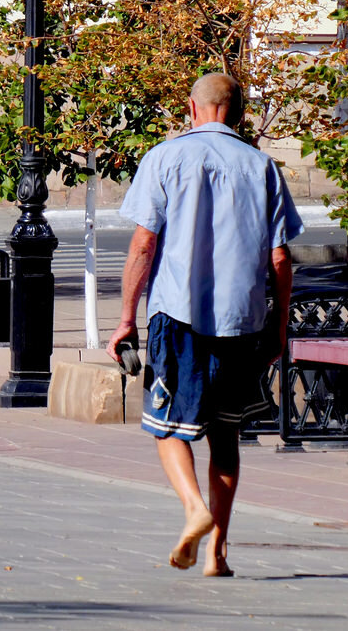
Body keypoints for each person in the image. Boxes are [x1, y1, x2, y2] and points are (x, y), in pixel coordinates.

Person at [106, 73, 303, 577]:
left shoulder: (165, 158)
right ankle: (217, 553)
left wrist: (127, 320)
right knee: (227, 437)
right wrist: (278, 326)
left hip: (179, 314)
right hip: (243, 320)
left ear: (192, 108)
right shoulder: (261, 166)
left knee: (166, 426)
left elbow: (144, 245)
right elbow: (281, 259)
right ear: (238, 113)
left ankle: (194, 507)